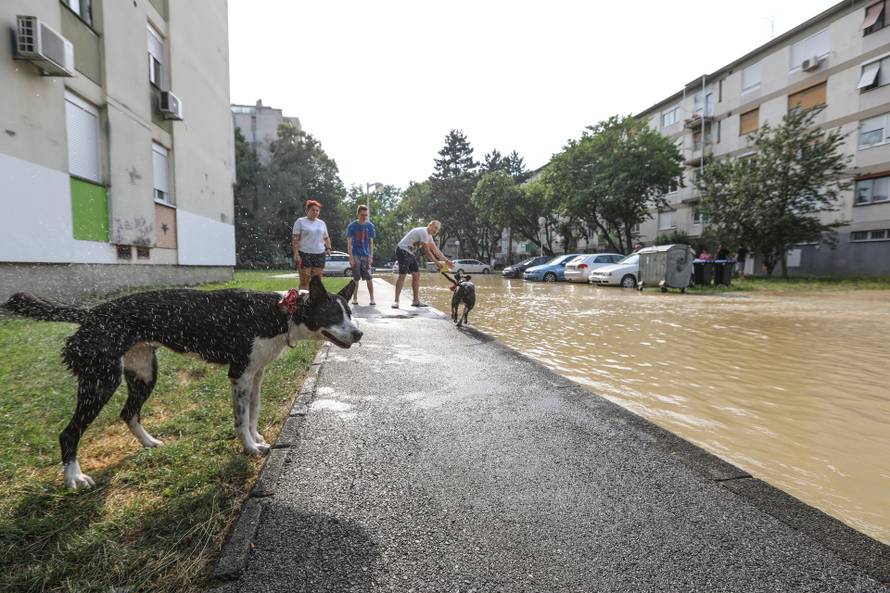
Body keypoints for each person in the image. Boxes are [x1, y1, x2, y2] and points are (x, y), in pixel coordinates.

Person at [393, 220, 452, 309]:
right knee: (402, 275)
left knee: (416, 275)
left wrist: (447, 261)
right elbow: (427, 252)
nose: (436, 231)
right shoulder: (423, 232)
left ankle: (415, 301)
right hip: (402, 250)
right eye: (435, 228)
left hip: (410, 253)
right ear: (430, 225)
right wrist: (437, 263)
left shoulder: (429, 236)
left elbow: (436, 250)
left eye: (438, 230)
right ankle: (396, 301)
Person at [292, 199, 331, 291]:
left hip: (319, 254)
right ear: (307, 211)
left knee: (316, 281)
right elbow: (295, 239)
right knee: (305, 280)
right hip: (304, 254)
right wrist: (296, 254)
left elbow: (326, 238)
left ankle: (314, 303)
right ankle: (303, 301)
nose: (315, 212)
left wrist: (328, 248)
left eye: (317, 210)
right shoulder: (300, 221)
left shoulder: (321, 223)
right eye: (313, 210)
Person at [346, 205, 376, 306]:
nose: (364, 217)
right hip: (355, 255)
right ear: (358, 214)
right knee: (356, 278)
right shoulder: (351, 226)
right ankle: (354, 298)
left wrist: (371, 256)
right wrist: (351, 258)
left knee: (369, 277)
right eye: (362, 215)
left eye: (366, 215)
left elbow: (371, 243)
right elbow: (349, 243)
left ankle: (372, 298)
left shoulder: (370, 226)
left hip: (366, 255)